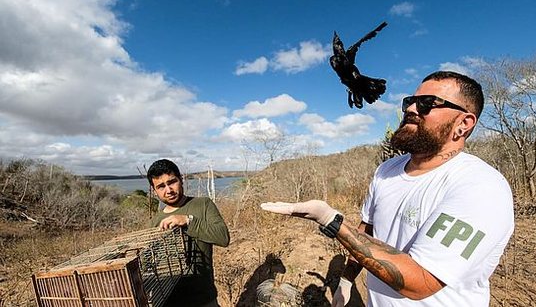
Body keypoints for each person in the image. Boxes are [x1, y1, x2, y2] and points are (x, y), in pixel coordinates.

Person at [261, 71, 514, 306]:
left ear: (464, 123)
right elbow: (367, 230)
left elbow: (421, 282)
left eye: (427, 103)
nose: (412, 109)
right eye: (410, 102)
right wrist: (347, 280)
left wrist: (330, 220)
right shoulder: (387, 170)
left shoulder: (481, 187)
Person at [147, 159, 230, 307]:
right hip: (169, 301)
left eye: (172, 182)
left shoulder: (203, 204)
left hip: (204, 299)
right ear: (154, 191)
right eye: (161, 186)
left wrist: (188, 220)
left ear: (181, 180)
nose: (168, 190)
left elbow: (223, 237)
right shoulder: (155, 222)